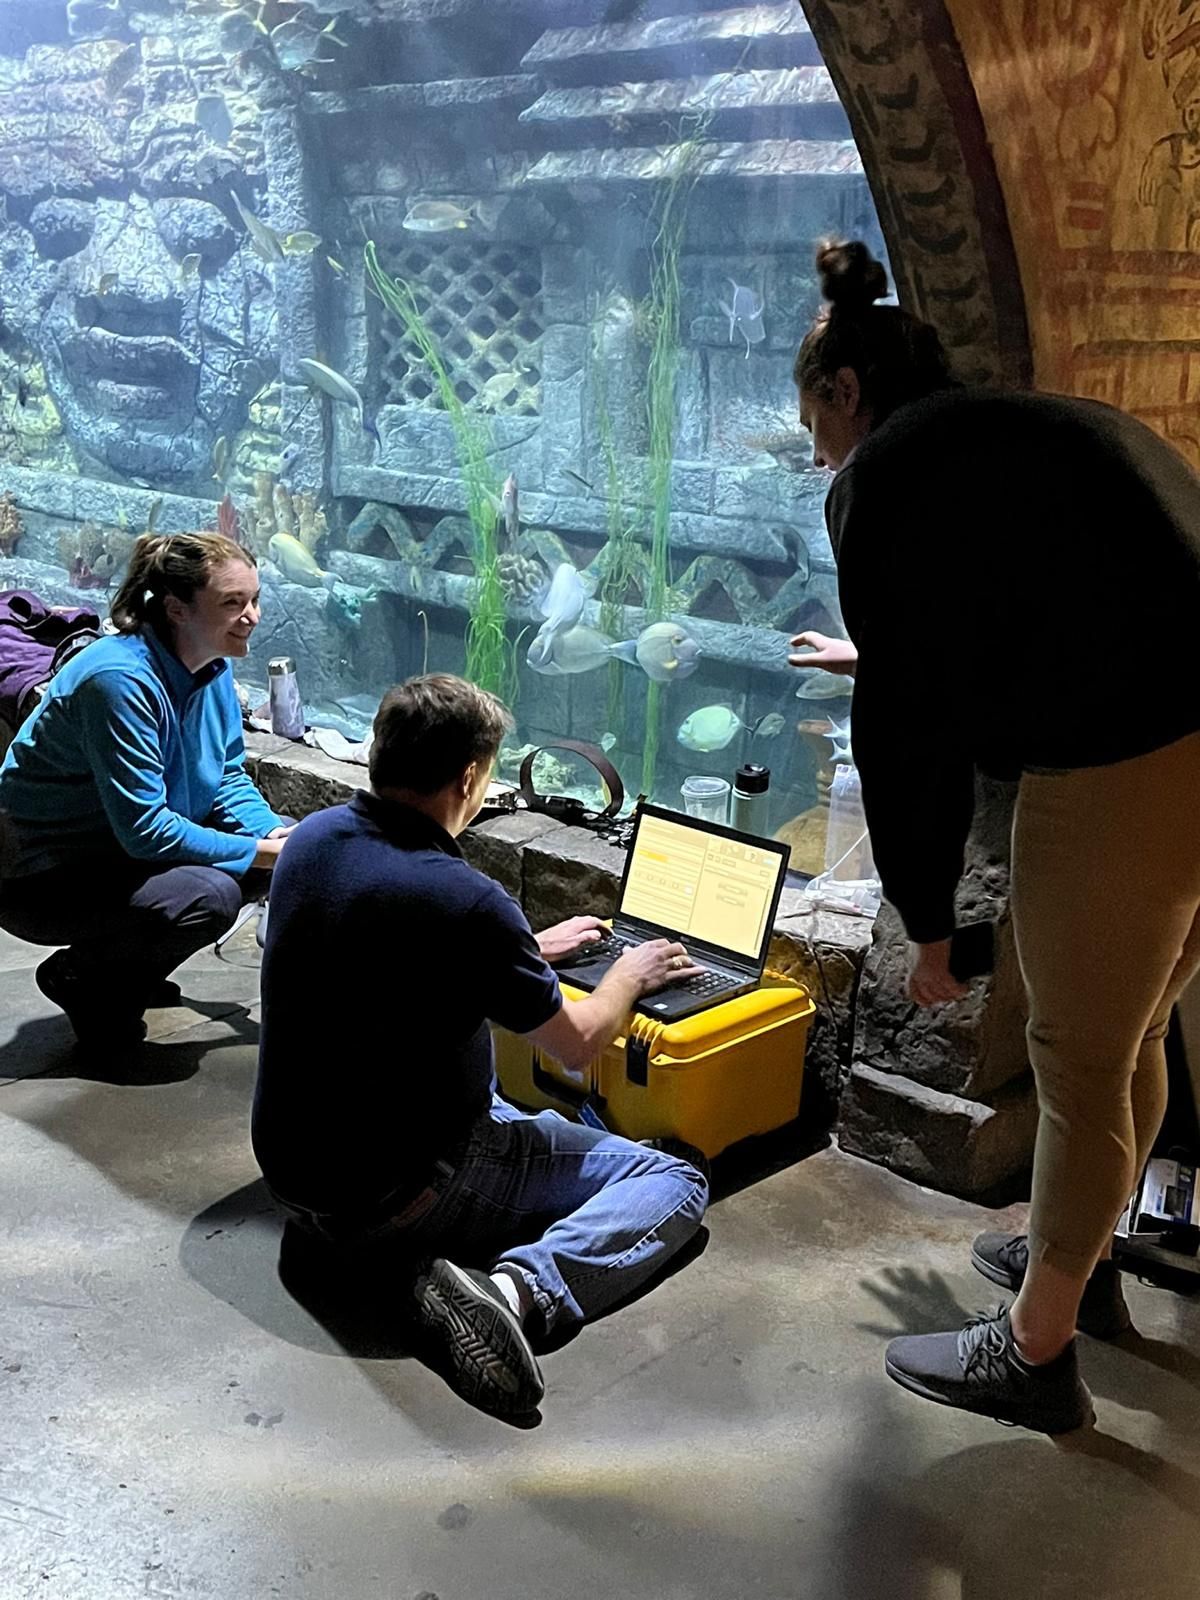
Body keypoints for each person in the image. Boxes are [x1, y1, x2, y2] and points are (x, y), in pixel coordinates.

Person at [790, 238, 1200, 1435]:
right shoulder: (1019, 426)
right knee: (1130, 1034)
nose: (814, 448)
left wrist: (929, 924)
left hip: (1132, 757)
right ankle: (1083, 1259)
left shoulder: (887, 472)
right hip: (1186, 729)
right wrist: (881, 653)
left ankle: (1035, 1351)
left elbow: (903, 733)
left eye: (813, 418)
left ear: (847, 391)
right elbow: (1043, 604)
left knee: (1077, 1061)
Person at [252, 673, 709, 1421]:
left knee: (489, 1087)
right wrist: (627, 975)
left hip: (297, 1173)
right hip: (405, 1190)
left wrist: (524, 951)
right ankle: (514, 1292)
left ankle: (422, 1248)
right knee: (676, 1179)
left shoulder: (310, 840)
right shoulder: (464, 900)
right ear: (469, 778)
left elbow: (391, 959)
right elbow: (577, 1047)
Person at [0, 532, 291, 1050]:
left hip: (113, 851)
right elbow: (146, 831)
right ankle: (84, 977)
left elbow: (226, 775)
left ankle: (128, 967)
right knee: (210, 895)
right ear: (177, 609)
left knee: (274, 852)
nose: (252, 616)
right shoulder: (118, 680)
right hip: (40, 875)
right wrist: (267, 853)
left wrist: (273, 834)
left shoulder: (212, 666)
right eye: (233, 603)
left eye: (255, 599)